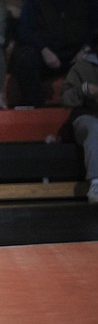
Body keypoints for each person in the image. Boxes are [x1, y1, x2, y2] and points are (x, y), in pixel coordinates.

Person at [12, 0, 98, 107]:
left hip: (80, 52)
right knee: (23, 58)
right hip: (47, 53)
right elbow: (25, 29)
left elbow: (95, 26)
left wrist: (86, 48)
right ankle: (35, 108)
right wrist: (44, 50)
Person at [60, 35, 98, 204]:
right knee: (95, 127)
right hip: (86, 114)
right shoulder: (82, 67)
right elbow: (66, 98)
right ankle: (96, 182)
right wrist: (83, 90)